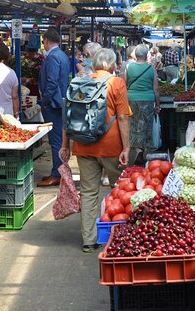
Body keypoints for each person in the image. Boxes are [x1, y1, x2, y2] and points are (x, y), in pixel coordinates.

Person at [60, 49, 130, 252]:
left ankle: (89, 240)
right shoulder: (116, 83)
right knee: (120, 191)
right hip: (111, 146)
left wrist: (65, 145)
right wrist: (126, 147)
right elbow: (123, 118)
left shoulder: (78, 83)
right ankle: (120, 236)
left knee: (89, 193)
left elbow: (68, 117)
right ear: (112, 65)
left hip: (83, 145)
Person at [37, 27, 71, 187]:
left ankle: (57, 174)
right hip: (61, 101)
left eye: (43, 42)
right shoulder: (62, 55)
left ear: (47, 41)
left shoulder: (52, 57)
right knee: (59, 139)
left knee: (56, 140)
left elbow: (52, 81)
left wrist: (44, 100)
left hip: (54, 104)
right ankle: (58, 171)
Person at [122, 44, 160, 161]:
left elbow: (124, 85)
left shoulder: (128, 67)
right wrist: (158, 104)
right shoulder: (151, 69)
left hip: (131, 99)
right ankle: (143, 149)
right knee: (145, 125)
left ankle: (136, 148)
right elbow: (156, 89)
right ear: (146, 55)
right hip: (148, 100)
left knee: (133, 124)